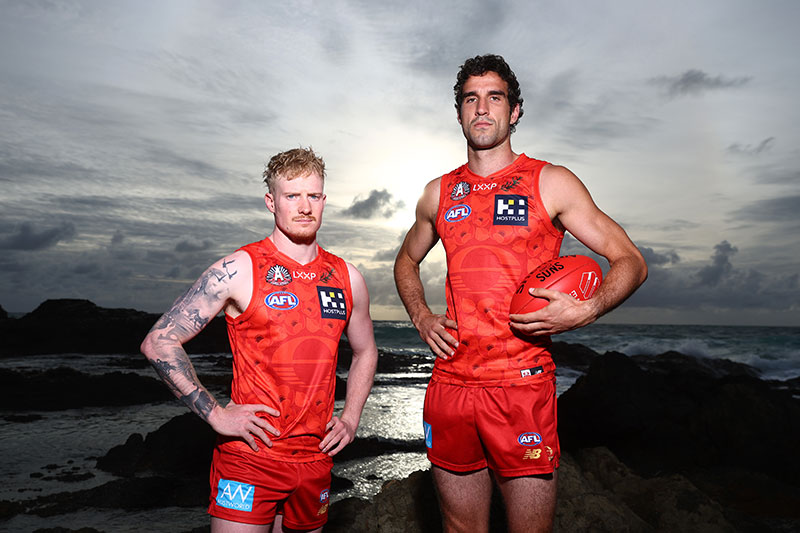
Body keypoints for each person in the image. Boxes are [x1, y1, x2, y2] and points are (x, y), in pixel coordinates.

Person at [394, 54, 647, 532]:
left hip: (521, 384)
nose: (482, 108)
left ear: (514, 112)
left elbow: (630, 260)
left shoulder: (550, 182)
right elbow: (406, 260)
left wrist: (587, 309)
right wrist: (422, 317)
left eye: (495, 97)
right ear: (459, 113)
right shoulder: (438, 193)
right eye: (471, 98)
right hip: (451, 383)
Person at [141, 147, 378, 533]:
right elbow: (159, 342)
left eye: (313, 196)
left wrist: (350, 419)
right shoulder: (239, 269)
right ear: (271, 201)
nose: (304, 207)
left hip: (315, 459)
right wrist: (216, 415)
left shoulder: (347, 277)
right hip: (251, 456)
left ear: (323, 200)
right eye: (292, 196)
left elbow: (366, 350)